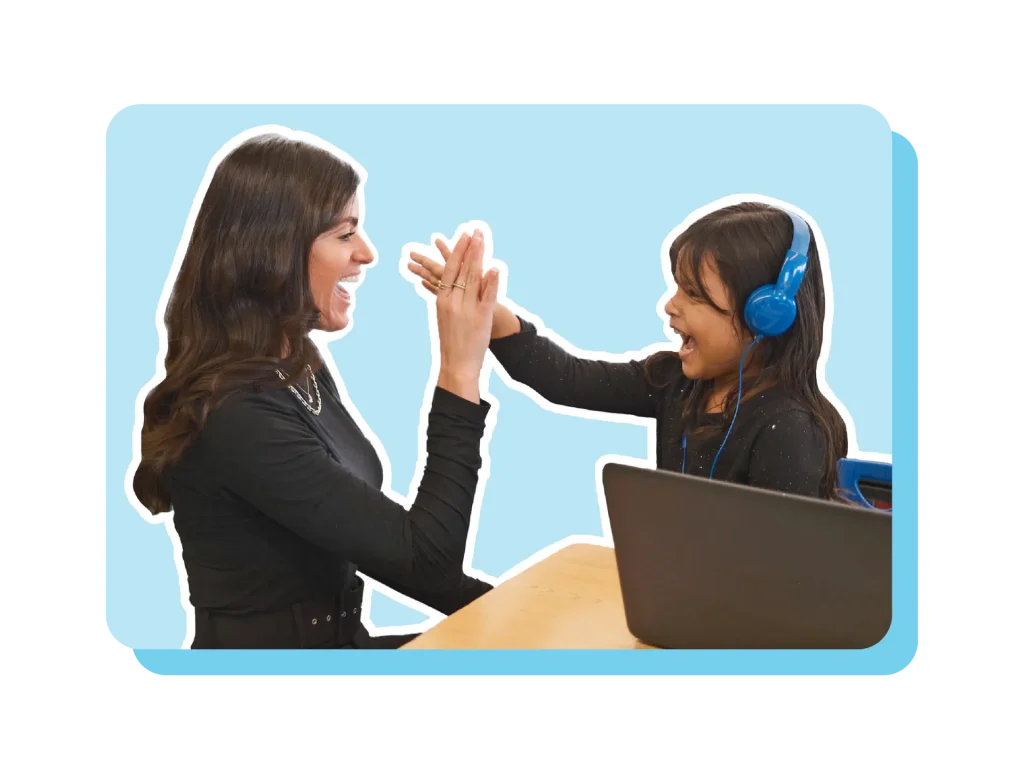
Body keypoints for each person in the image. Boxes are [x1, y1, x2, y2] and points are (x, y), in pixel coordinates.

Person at [131, 133, 501, 649]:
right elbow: (426, 560)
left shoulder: (296, 365)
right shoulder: (237, 416)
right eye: (345, 233)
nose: (367, 253)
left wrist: (529, 613)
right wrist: (460, 373)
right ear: (272, 249)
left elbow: (397, 556)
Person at [407, 201, 850, 501]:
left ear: (765, 317)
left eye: (693, 295)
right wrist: (490, 314)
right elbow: (567, 378)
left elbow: (783, 576)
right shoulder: (676, 382)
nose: (669, 305)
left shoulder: (791, 428)